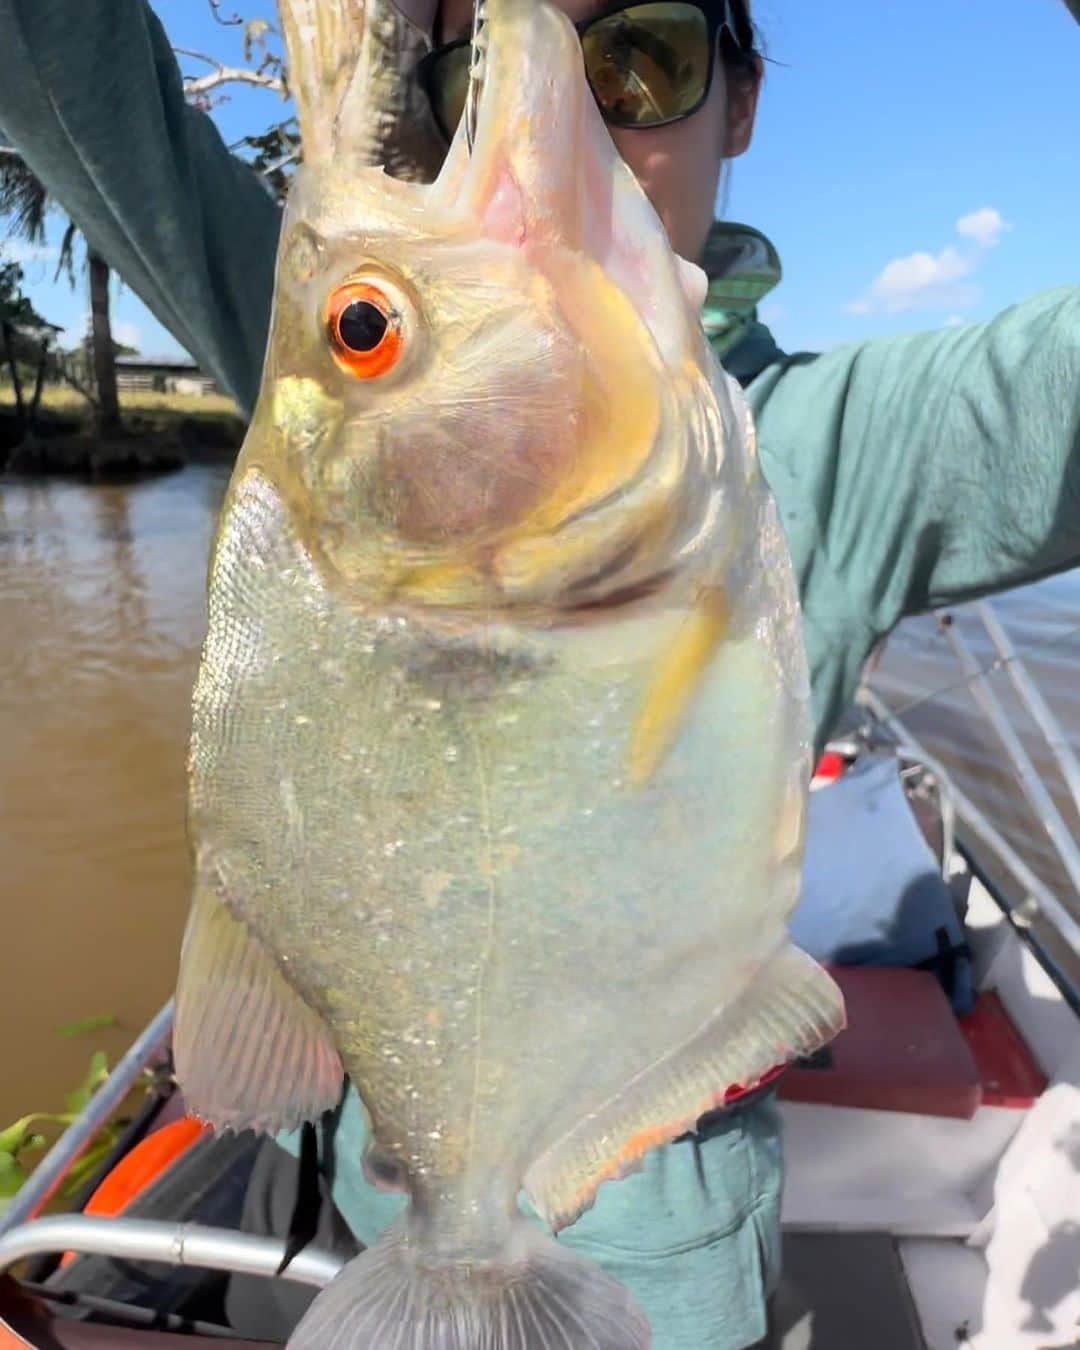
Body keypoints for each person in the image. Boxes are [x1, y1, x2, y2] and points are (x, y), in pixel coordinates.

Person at [1, 1, 1076, 1346]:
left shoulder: (859, 445)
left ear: (742, 102)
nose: (584, 100)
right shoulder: (357, 381)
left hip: (667, 1288)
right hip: (362, 1208)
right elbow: (64, 80)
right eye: (487, 63)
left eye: (645, 58)